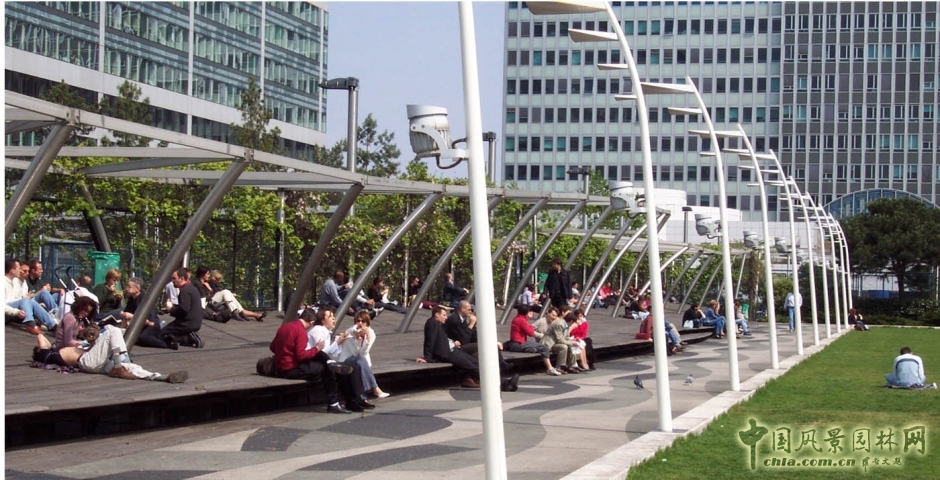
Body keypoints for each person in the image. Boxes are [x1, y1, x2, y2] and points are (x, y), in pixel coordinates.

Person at [269, 308, 358, 414]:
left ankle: (330, 363)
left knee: (322, 360)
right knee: (326, 370)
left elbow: (272, 347)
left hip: (280, 365)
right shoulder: (300, 331)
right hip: (291, 368)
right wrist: (316, 348)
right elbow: (301, 356)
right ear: (311, 322)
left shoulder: (284, 327)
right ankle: (333, 403)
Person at [33, 326, 188, 383]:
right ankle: (120, 363)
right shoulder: (48, 355)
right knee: (111, 329)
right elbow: (41, 339)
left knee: (133, 368)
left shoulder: (56, 351)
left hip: (97, 362)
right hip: (86, 362)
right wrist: (37, 332)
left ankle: (163, 377)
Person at [306, 307, 375, 410]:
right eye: (330, 317)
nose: (334, 319)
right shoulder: (318, 330)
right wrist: (338, 343)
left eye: (334, 316)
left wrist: (339, 343)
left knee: (353, 367)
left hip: (323, 361)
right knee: (349, 368)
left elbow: (331, 352)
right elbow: (320, 353)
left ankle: (356, 399)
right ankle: (354, 400)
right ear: (322, 320)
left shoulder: (326, 332)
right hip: (312, 361)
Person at [416, 305, 483, 388]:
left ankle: (489, 379)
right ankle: (492, 381)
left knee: (473, 362)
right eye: (444, 315)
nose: (446, 317)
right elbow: (430, 341)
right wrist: (427, 357)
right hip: (449, 352)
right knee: (471, 365)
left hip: (452, 349)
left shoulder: (437, 324)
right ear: (437, 315)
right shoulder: (432, 323)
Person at [336, 310, 389, 399]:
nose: (360, 323)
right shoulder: (350, 331)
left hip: (361, 360)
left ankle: (363, 396)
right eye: (358, 321)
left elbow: (363, 352)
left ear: (367, 323)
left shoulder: (371, 334)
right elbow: (355, 353)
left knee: (361, 362)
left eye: (363, 321)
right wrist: (357, 338)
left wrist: (367, 340)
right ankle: (375, 389)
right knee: (361, 361)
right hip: (347, 358)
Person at [5, 258, 58, 334]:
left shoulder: (14, 282)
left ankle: (53, 325)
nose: (20, 271)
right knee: (26, 300)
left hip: (14, 310)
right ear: (12, 270)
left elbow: (19, 298)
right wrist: (16, 312)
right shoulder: (4, 282)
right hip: (6, 313)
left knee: (31, 301)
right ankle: (30, 323)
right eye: (19, 268)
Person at [506, 304, 561, 376]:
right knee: (544, 348)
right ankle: (550, 368)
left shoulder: (516, 318)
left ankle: (531, 349)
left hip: (515, 343)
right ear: (526, 312)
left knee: (532, 345)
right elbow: (530, 333)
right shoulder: (522, 320)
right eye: (530, 311)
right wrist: (531, 326)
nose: (532, 313)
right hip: (519, 343)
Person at [162, 268, 205, 349]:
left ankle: (187, 339)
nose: (172, 281)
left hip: (185, 324)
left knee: (162, 334)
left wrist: (171, 309)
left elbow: (184, 310)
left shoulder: (184, 291)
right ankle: (188, 338)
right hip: (195, 322)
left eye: (174, 278)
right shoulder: (192, 288)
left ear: (182, 278)